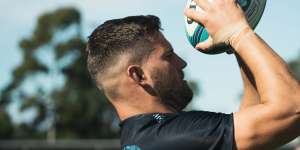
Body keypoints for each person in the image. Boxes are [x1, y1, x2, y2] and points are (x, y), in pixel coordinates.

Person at [86, 0, 300, 149]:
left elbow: (259, 122)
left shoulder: (143, 137)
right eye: (168, 56)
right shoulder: (174, 138)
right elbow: (293, 109)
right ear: (138, 75)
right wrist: (238, 32)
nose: (182, 63)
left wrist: (236, 43)